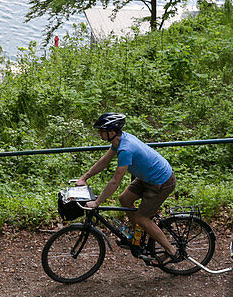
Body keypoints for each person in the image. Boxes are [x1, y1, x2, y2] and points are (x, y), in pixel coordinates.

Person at [73, 112, 182, 261]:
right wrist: (84, 177)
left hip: (161, 181)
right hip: (147, 177)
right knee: (124, 199)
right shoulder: (119, 140)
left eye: (101, 131)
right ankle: (136, 238)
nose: (99, 133)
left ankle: (171, 251)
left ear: (112, 132)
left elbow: (116, 180)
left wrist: (97, 202)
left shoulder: (125, 149)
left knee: (143, 218)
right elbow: (104, 161)